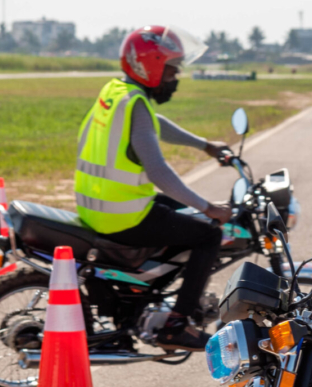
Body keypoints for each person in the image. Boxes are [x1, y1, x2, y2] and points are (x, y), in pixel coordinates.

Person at [75, 25, 231, 352]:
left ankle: (148, 295)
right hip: (122, 216)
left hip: (98, 205)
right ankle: (177, 325)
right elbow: (159, 172)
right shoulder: (137, 104)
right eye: (173, 70)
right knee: (208, 234)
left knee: (183, 216)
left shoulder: (118, 92)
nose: (176, 78)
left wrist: (205, 145)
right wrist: (207, 208)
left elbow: (154, 126)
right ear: (151, 66)